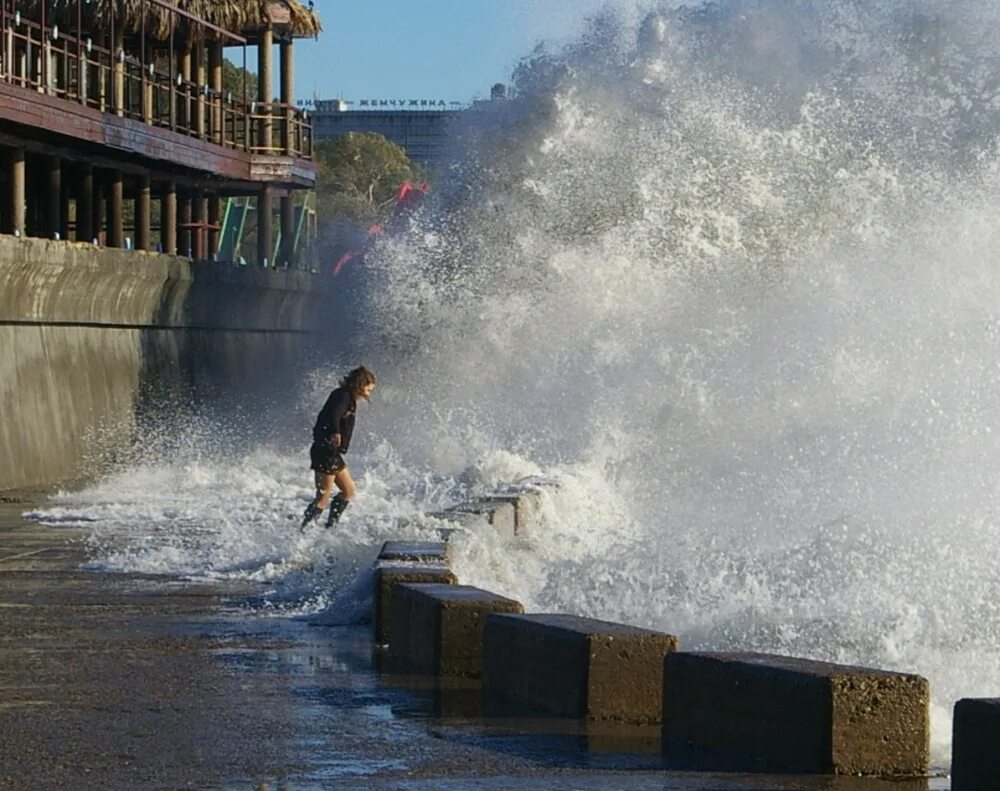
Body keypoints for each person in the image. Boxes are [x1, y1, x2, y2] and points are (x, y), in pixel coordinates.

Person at [301, 365, 376, 529]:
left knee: (348, 491)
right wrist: (336, 432)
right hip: (325, 450)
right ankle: (303, 531)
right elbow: (334, 414)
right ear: (360, 383)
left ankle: (330, 527)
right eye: (368, 388)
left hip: (332, 452)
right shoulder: (343, 396)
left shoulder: (347, 397)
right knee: (323, 496)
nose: (369, 392)